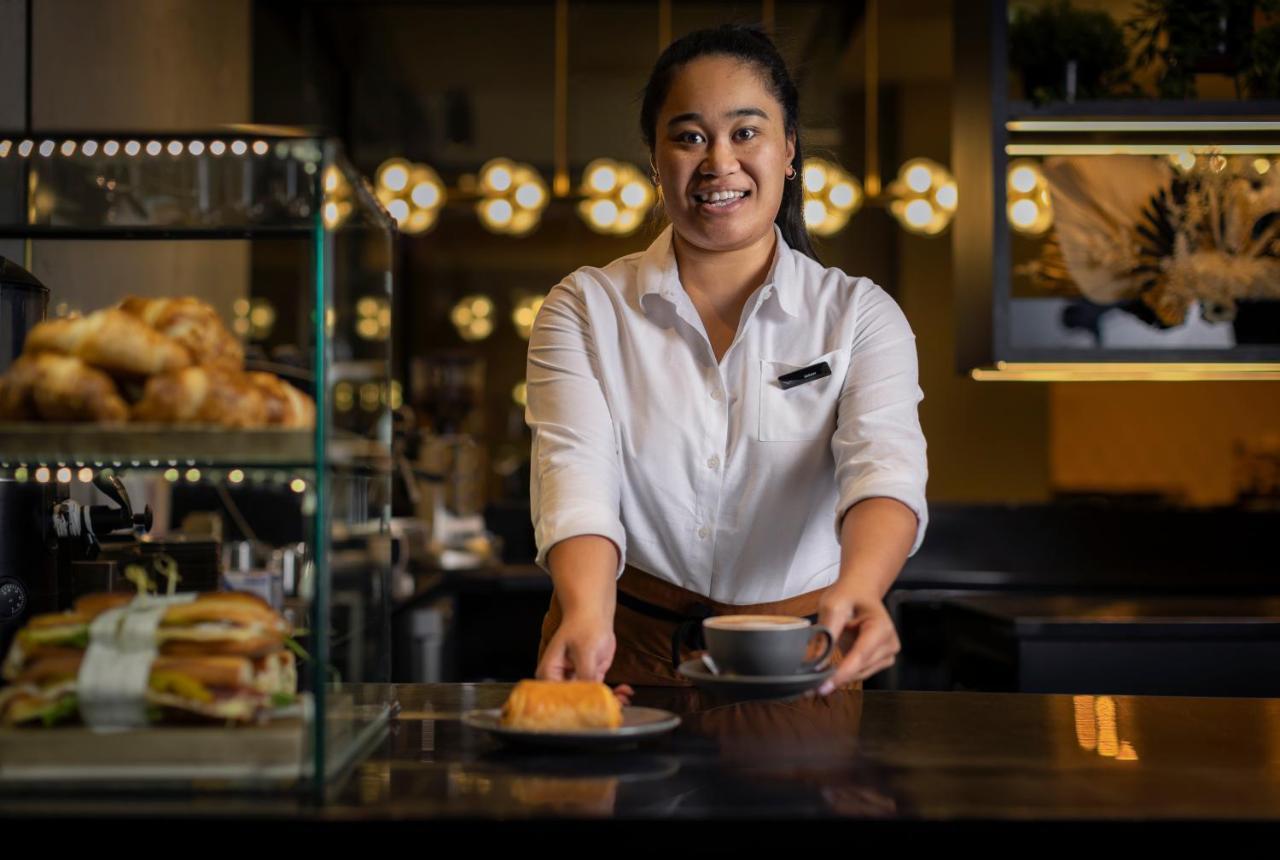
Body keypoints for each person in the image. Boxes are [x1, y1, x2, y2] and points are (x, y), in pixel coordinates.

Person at [527, 23, 927, 699]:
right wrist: (586, 612)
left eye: (746, 132)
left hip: (803, 659)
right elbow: (576, 474)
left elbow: (883, 465)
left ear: (789, 150)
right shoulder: (585, 307)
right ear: (655, 162)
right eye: (688, 136)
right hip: (623, 647)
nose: (718, 162)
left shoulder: (859, 315)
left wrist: (860, 590)